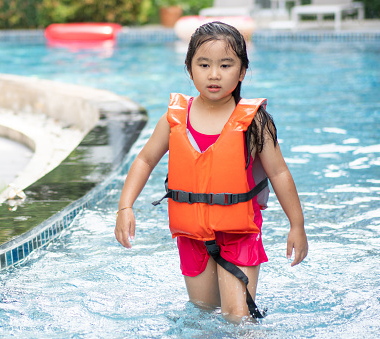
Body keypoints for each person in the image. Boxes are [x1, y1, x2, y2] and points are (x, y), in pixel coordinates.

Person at [114, 22, 308, 323]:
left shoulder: (255, 122)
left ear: (242, 71)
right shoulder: (174, 119)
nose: (214, 74)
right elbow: (144, 160)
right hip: (192, 236)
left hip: (239, 233)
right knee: (203, 316)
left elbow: (280, 174)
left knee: (237, 317)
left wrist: (297, 225)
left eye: (225, 65)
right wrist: (125, 206)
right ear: (190, 70)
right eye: (204, 64)